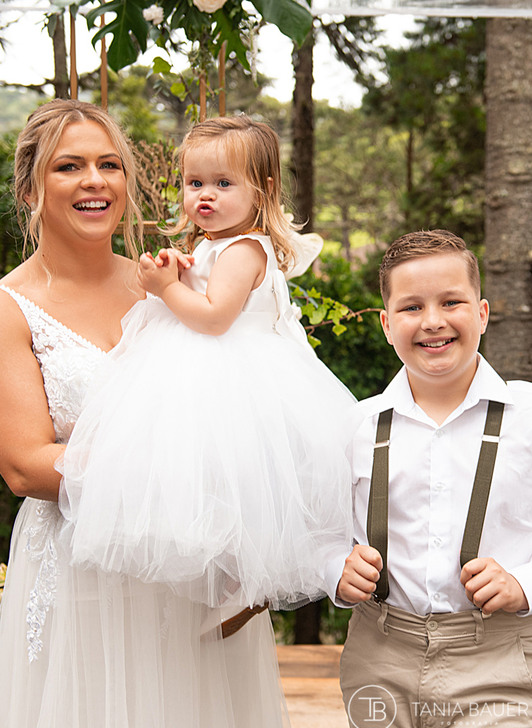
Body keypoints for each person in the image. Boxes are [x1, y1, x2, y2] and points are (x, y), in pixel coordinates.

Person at [0, 100, 294, 728]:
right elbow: (27, 467)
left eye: (110, 164)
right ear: (30, 188)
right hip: (86, 570)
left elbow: (250, 392)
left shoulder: (169, 284)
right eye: (70, 166)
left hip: (198, 569)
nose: (96, 181)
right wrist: (173, 470)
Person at [327, 230, 532, 728]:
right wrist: (333, 568)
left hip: (499, 664)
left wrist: (527, 582)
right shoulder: (357, 426)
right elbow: (317, 532)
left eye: (451, 302)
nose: (433, 320)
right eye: (412, 306)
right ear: (388, 325)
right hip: (379, 657)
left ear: (482, 313)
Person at [57, 115, 354, 623]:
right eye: (195, 184)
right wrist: (183, 271)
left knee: (233, 478)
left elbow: (215, 317)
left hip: (237, 378)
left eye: (223, 184)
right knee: (210, 480)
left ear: (261, 193)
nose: (205, 196)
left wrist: (165, 288)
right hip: (215, 373)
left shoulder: (243, 249)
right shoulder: (218, 246)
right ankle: (227, 578)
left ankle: (246, 581)